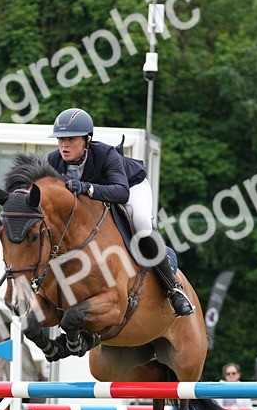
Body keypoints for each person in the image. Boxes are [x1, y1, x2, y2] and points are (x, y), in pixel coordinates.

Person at [46, 107, 193, 317]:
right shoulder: (53, 161)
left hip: (131, 186)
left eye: (71, 139)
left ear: (86, 139)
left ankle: (173, 289)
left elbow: (122, 192)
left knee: (141, 222)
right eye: (61, 139)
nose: (64, 145)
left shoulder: (106, 154)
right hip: (96, 199)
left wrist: (87, 187)